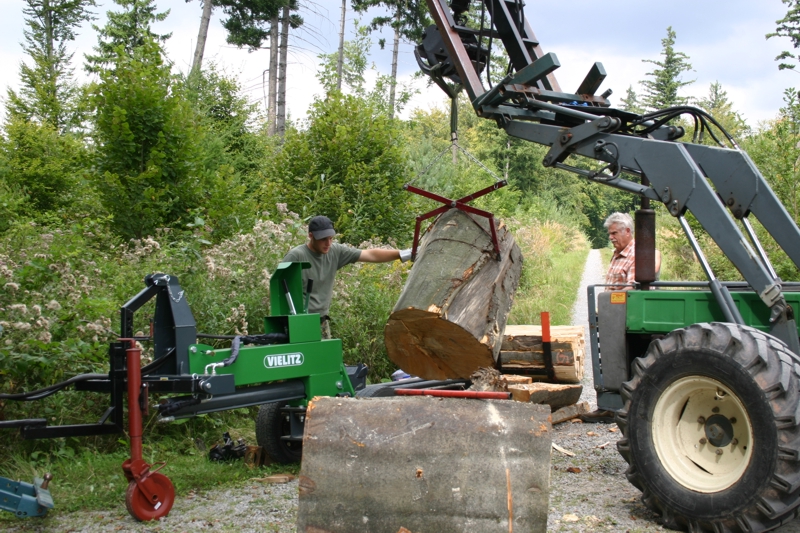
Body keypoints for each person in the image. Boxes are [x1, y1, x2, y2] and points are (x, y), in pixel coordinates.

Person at [282, 215, 411, 338]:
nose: (328, 243)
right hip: (297, 322)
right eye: (323, 239)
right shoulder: (296, 256)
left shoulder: (335, 251)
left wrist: (406, 254)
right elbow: (279, 288)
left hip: (321, 320)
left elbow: (371, 255)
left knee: (325, 359)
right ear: (311, 236)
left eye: (331, 238)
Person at [603, 212, 661, 291]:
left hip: (624, 303)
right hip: (611, 302)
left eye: (614, 233)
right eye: (609, 234)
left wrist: (608, 299)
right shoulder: (618, 253)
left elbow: (634, 288)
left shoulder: (637, 255)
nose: (610, 237)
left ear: (627, 231)